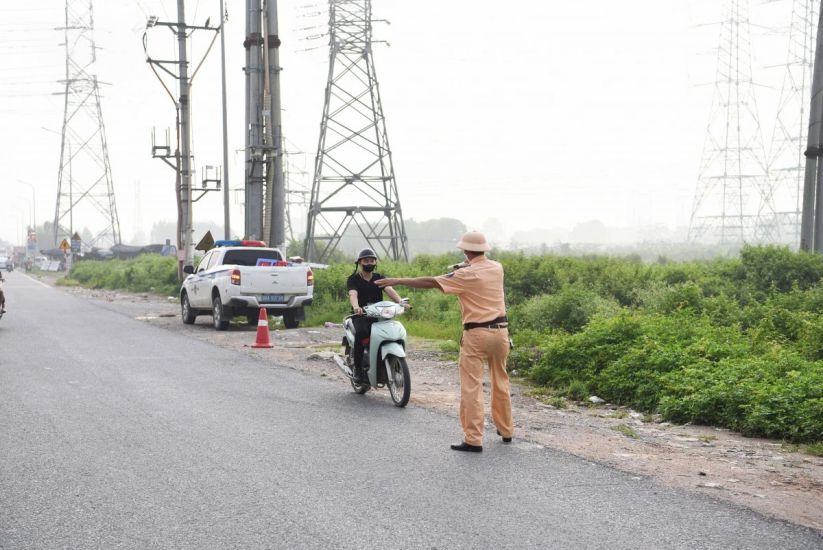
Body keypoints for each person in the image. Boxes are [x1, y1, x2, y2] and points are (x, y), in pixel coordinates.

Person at [376, 231, 513, 452]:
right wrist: (464, 268)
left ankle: (473, 438)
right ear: (484, 249)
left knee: (472, 387)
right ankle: (506, 430)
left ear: (466, 251)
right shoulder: (497, 268)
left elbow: (431, 282)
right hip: (501, 332)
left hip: (477, 334)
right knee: (501, 381)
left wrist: (398, 280)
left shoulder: (464, 276)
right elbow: (476, 270)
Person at [347, 248, 406, 383]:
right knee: (361, 333)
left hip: (380, 315)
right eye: (366, 261)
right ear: (360, 263)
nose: (369, 263)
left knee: (392, 331)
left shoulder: (379, 278)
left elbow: (389, 289)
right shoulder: (353, 279)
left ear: (375, 262)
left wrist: (401, 302)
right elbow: (353, 294)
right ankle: (357, 369)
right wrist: (356, 307)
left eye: (372, 260)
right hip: (361, 315)